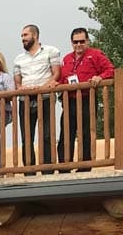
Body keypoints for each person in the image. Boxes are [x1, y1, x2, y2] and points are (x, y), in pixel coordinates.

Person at [58, 28, 114, 167]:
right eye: (75, 42)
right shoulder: (66, 59)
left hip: (87, 99)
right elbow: (62, 79)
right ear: (71, 43)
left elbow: (110, 70)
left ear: (88, 41)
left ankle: (84, 166)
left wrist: (100, 77)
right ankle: (64, 166)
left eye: (82, 41)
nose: (78, 45)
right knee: (66, 133)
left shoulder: (95, 54)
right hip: (69, 100)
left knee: (85, 133)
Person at [14, 24, 62, 166]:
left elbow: (56, 74)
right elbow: (17, 83)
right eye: (22, 36)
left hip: (45, 97)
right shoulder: (18, 59)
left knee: (47, 134)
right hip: (25, 100)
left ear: (35, 35)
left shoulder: (51, 51)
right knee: (26, 137)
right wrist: (22, 88)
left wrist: (42, 88)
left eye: (25, 35)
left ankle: (48, 167)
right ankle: (29, 170)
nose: (23, 38)